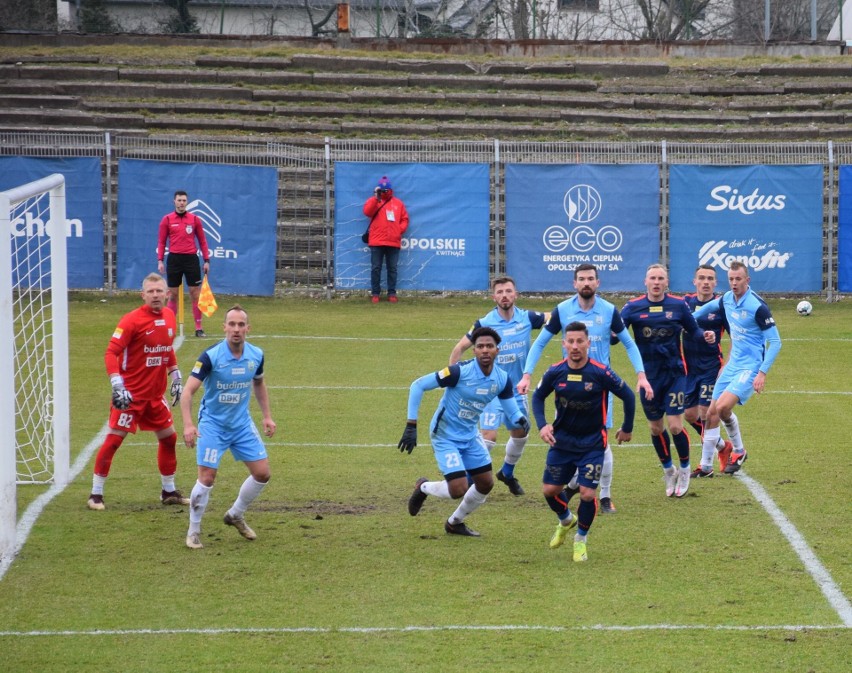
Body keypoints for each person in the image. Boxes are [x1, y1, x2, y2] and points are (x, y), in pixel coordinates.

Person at [516, 263, 653, 514]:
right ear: (574, 284)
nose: (586, 283)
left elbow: (630, 345)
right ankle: (572, 485)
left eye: (591, 278)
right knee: (566, 438)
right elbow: (540, 343)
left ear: (598, 283)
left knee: (602, 442)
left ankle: (605, 496)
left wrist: (641, 376)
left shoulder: (610, 310)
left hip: (601, 388)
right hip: (567, 389)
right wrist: (526, 375)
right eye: (581, 279)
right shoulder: (562, 310)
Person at [399, 327, 530, 538]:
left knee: (486, 483)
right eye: (480, 347)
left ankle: (454, 523)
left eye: (489, 346)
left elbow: (511, 409)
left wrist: (520, 420)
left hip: (470, 435)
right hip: (445, 436)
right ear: (474, 351)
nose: (485, 350)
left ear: (498, 350)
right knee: (458, 488)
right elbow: (418, 385)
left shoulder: (502, 379)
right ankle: (423, 487)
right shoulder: (458, 372)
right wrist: (411, 425)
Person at [532, 322, 635, 562]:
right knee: (550, 491)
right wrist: (542, 424)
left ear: (589, 343)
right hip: (562, 442)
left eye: (580, 341)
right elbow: (537, 397)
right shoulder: (555, 371)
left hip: (592, 444)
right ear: (564, 344)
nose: (575, 346)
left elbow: (628, 395)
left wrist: (627, 427)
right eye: (571, 341)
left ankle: (581, 539)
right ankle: (566, 520)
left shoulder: (601, 372)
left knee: (588, 494)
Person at [87, 273, 188, 511]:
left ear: (167, 294)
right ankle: (96, 495)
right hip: (130, 396)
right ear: (142, 295)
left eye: (159, 291)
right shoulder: (131, 321)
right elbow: (111, 353)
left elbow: (167, 347)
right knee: (113, 440)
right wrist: (117, 384)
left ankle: (168, 491)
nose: (155, 295)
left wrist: (175, 374)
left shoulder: (170, 317)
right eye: (150, 291)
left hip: (154, 397)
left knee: (169, 438)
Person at [180, 305, 277, 549]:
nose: (236, 329)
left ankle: (235, 514)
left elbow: (259, 383)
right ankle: (193, 531)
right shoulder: (210, 356)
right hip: (213, 425)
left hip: (241, 425)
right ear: (224, 327)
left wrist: (267, 416)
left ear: (248, 329)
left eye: (241, 325)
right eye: (231, 324)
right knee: (207, 478)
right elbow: (187, 392)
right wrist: (189, 424)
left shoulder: (256, 355)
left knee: (263, 473)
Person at [620, 263, 716, 499]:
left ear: (666, 283)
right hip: (648, 379)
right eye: (652, 278)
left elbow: (693, 331)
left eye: (660, 278)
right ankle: (668, 469)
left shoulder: (678, 305)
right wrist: (610, 334)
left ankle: (684, 469)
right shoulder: (632, 308)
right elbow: (617, 335)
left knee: (675, 426)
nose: (656, 282)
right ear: (645, 282)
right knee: (655, 428)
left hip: (675, 375)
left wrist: (705, 336)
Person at [448, 276, 548, 496]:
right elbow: (460, 347)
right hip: (490, 391)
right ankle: (466, 481)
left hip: (516, 390)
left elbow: (557, 318)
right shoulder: (484, 323)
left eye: (508, 291)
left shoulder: (528, 318)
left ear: (516, 294)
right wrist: (453, 378)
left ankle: (507, 473)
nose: (505, 295)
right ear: (494, 297)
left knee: (521, 433)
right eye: (500, 292)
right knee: (489, 437)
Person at [692, 260, 782, 475]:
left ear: (747, 280)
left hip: (750, 367)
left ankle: (739, 451)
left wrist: (762, 373)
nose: (733, 283)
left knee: (722, 408)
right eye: (731, 279)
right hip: (732, 366)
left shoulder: (757, 307)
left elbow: (776, 342)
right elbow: (706, 309)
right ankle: (705, 466)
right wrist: (686, 319)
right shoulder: (726, 300)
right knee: (711, 413)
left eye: (738, 279)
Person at [683, 265, 733, 478]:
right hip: (688, 369)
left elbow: (737, 339)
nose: (705, 282)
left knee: (706, 413)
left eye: (710, 278)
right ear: (694, 281)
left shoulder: (721, 307)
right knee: (689, 415)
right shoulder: (685, 303)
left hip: (711, 367)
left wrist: (726, 366)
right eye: (701, 278)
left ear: (715, 283)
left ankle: (705, 466)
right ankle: (722, 446)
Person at [157, 190, 211, 337]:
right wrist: (160, 260)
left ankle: (198, 328)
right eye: (179, 200)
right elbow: (162, 241)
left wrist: (206, 260)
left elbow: (202, 241)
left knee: (195, 293)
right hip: (174, 259)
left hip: (191, 259)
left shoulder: (194, 219)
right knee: (172, 295)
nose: (181, 203)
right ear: (174, 201)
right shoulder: (167, 219)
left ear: (187, 202)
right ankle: (170, 328)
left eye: (184, 200)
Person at [363, 175, 409, 303]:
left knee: (392, 269)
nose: (384, 192)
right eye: (381, 190)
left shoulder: (398, 203)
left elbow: (405, 219)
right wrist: (375, 198)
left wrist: (399, 230)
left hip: (393, 241)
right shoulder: (374, 201)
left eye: (386, 190)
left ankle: (392, 293)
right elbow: (367, 212)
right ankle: (375, 293)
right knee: (376, 268)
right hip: (377, 241)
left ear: (390, 190)